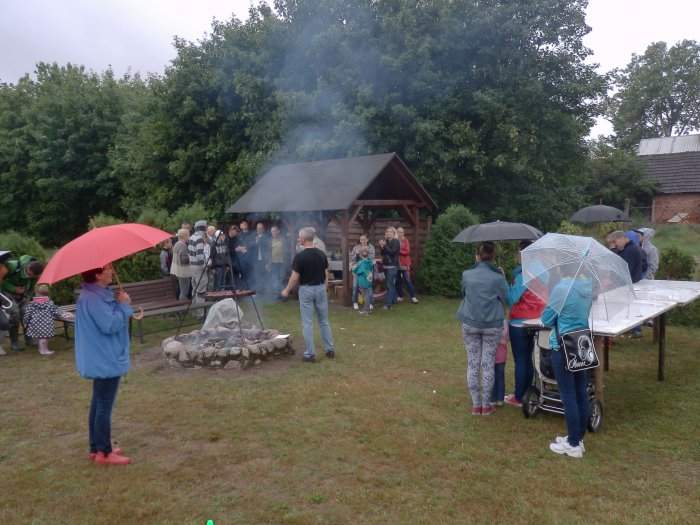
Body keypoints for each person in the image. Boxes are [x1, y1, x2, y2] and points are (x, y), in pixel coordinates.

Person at [75, 264, 134, 465]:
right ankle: (104, 452)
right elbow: (110, 325)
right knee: (103, 406)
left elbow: (107, 319)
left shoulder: (95, 295)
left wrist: (117, 302)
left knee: (98, 403)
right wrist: (124, 305)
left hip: (102, 356)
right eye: (108, 268)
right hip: (105, 358)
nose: (112, 271)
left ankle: (96, 448)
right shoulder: (93, 298)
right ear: (98, 274)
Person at [541, 275, 594, 459]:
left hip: (562, 345)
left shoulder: (562, 288)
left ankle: (573, 444)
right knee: (580, 392)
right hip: (581, 341)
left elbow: (546, 319)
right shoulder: (587, 286)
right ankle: (577, 438)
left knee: (568, 395)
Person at [457, 242, 508, 416]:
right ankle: (486, 406)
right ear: (493, 257)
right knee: (487, 364)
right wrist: (503, 277)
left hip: (470, 322)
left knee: (472, 364)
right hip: (492, 325)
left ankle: (476, 405)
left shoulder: (466, 274)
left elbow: (464, 293)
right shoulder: (498, 277)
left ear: (477, 256)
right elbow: (507, 298)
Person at [281, 227, 335, 363]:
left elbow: (294, 277)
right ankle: (329, 349)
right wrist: (325, 286)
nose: (298, 239)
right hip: (321, 288)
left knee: (307, 323)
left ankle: (310, 354)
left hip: (306, 290)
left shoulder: (300, 257)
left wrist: (286, 290)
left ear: (303, 240)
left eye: (299, 237)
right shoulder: (321, 254)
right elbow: (326, 272)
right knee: (324, 321)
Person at [504, 241, 547, 408]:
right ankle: (529, 391)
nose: (517, 256)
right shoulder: (545, 271)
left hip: (520, 322)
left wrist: (506, 283)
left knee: (521, 360)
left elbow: (511, 299)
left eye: (518, 253)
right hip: (539, 320)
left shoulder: (524, 274)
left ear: (524, 255)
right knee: (530, 358)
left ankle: (519, 396)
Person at [1, 254, 45, 351]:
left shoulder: (35, 274)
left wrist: (28, 297)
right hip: (6, 293)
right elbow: (1, 281)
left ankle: (29, 339)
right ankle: (14, 342)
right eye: (29, 274)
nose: (30, 277)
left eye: (33, 276)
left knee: (27, 312)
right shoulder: (12, 266)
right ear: (28, 267)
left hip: (22, 295)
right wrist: (14, 289)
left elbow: (31, 288)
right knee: (15, 313)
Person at [609, 230, 643, 337]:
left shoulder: (630, 250)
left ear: (621, 238)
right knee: (629, 309)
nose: (615, 245)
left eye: (615, 242)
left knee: (630, 309)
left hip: (630, 284)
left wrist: (614, 281)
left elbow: (626, 270)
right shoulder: (629, 249)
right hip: (630, 283)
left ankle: (635, 330)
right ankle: (631, 330)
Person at [23, 283, 72, 356]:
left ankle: (41, 349)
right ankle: (44, 350)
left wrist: (25, 321)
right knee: (44, 338)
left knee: (40, 337)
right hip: (46, 324)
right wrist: (64, 314)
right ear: (48, 293)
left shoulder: (32, 304)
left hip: (35, 324)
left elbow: (27, 314)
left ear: (36, 293)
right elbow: (56, 311)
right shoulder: (49, 303)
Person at [188, 220, 209, 318]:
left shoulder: (192, 237)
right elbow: (200, 256)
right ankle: (201, 314)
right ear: (203, 228)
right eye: (206, 227)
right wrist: (205, 266)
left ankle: (194, 311)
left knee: (195, 289)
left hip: (192, 267)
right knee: (201, 290)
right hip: (199, 267)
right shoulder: (200, 239)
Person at [350, 234, 375, 310]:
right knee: (355, 286)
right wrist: (357, 254)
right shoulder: (356, 247)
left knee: (368, 287)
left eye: (364, 239)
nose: (362, 241)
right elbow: (352, 258)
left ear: (367, 240)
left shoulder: (371, 247)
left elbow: (371, 258)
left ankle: (370, 303)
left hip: (367, 270)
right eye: (361, 239)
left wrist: (362, 255)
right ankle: (355, 302)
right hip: (358, 270)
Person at [395, 227, 419, 304]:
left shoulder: (405, 240)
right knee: (398, 281)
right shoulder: (395, 241)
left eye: (401, 232)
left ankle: (413, 297)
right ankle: (400, 296)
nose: (400, 233)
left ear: (403, 233)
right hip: (396, 264)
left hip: (404, 264)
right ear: (396, 233)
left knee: (407, 280)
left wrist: (399, 251)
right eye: (398, 232)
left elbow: (407, 252)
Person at [379, 227, 400, 310]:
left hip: (392, 266)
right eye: (387, 231)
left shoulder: (396, 241)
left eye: (390, 232)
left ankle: (388, 305)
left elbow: (392, 252)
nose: (388, 233)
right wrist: (381, 246)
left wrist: (384, 245)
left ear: (394, 233)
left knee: (389, 285)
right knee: (390, 285)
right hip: (386, 266)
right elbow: (382, 253)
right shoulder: (386, 241)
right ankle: (394, 300)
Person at [491, 320, 509, 407]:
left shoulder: (489, 320)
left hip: (492, 355)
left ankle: (493, 399)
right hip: (501, 354)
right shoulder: (504, 322)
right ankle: (500, 399)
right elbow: (507, 338)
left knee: (492, 377)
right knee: (500, 377)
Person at [170, 229, 192, 300]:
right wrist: (191, 257)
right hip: (183, 272)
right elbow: (184, 260)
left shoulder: (176, 244)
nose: (189, 237)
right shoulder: (183, 245)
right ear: (185, 236)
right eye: (188, 235)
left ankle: (182, 304)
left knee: (182, 290)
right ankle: (183, 305)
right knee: (184, 291)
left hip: (177, 271)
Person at [352, 248, 374, 314]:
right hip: (369, 279)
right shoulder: (370, 261)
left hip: (362, 280)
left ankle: (366, 310)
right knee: (368, 294)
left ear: (360, 255)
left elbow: (354, 269)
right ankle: (367, 308)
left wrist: (354, 267)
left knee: (365, 295)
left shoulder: (361, 262)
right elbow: (371, 269)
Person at [253, 223, 271, 295]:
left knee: (265, 276)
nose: (259, 230)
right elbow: (250, 247)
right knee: (257, 276)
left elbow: (269, 250)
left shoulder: (266, 238)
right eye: (258, 228)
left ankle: (266, 292)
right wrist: (256, 242)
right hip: (256, 261)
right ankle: (258, 292)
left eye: (260, 228)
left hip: (264, 261)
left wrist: (268, 262)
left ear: (263, 229)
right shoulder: (254, 237)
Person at [269, 225, 287, 297]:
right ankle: (277, 294)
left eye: (274, 231)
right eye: (272, 231)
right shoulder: (270, 241)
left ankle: (283, 295)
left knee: (282, 279)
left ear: (278, 231)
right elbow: (268, 252)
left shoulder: (283, 240)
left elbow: (287, 251)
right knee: (275, 279)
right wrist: (268, 263)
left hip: (282, 263)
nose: (273, 233)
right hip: (273, 263)